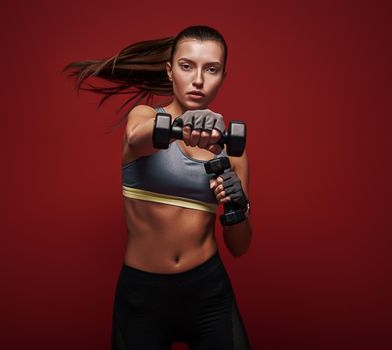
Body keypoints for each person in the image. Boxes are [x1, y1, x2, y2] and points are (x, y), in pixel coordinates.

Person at [63, 25, 252, 350]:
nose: (198, 80)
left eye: (211, 69)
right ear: (169, 70)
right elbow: (139, 137)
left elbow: (239, 246)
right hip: (144, 297)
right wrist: (184, 125)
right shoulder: (145, 116)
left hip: (207, 290)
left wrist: (237, 205)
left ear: (223, 75)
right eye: (186, 66)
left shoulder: (231, 151)